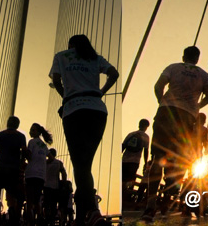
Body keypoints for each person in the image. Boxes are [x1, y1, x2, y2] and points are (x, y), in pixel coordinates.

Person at [49, 34, 119, 225]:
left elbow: (56, 81)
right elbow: (114, 74)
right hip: (97, 110)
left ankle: (91, 212)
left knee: (79, 163)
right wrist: (100, 92)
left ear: (70, 44)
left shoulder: (61, 56)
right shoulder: (95, 58)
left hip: (74, 110)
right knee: (85, 163)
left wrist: (67, 96)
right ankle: (84, 216)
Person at [141, 46, 208, 221]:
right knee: (179, 159)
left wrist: (162, 102)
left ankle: (150, 207)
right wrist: (196, 107)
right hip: (186, 117)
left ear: (183, 56)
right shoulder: (204, 75)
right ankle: (172, 185)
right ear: (197, 59)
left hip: (166, 113)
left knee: (158, 157)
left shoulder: (173, 67)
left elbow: (158, 86)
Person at [0, 116, 27, 225]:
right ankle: (11, 210)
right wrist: (24, 162)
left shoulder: (0, 135)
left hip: (0, 167)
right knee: (11, 193)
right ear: (17, 125)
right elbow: (25, 150)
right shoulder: (21, 136)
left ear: (7, 123)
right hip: (14, 168)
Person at [25, 123, 52, 226]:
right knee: (37, 200)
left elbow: (29, 156)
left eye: (33, 130)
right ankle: (40, 219)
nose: (31, 131)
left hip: (31, 173)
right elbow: (51, 158)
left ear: (38, 132)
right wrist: (43, 164)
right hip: (41, 175)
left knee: (29, 200)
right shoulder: (43, 145)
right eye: (31, 129)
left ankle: (30, 222)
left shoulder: (31, 142)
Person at [122, 119, 150, 203]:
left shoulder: (131, 134)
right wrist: (146, 163)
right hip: (135, 161)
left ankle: (122, 198)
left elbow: (123, 146)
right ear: (146, 127)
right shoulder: (145, 136)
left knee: (122, 180)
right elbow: (146, 150)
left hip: (124, 160)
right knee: (131, 180)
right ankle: (127, 198)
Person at [44, 148, 67, 226]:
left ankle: (47, 219)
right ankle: (52, 221)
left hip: (46, 186)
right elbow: (64, 174)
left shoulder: (45, 163)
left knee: (46, 204)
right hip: (55, 186)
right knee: (54, 204)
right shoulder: (59, 163)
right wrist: (63, 184)